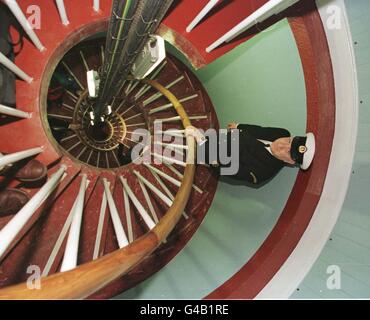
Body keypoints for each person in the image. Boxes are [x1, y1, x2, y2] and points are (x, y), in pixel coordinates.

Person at [198, 122, 316, 187]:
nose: (282, 145)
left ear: (290, 162)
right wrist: (239, 126)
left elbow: (229, 170)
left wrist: (204, 146)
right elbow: (260, 130)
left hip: (215, 156)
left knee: (189, 153)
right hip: (224, 139)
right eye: (289, 141)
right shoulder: (282, 132)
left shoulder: (263, 173)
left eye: (288, 152)